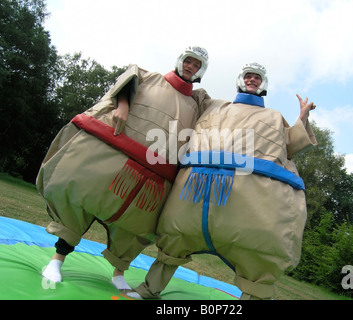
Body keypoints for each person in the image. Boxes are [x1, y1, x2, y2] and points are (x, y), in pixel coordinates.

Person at [130, 62, 317, 300]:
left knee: (255, 253)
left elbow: (290, 147)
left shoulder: (273, 117)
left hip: (243, 203)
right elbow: (183, 99)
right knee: (175, 237)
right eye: (249, 76)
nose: (252, 80)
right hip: (195, 194)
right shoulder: (214, 106)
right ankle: (149, 289)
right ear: (241, 79)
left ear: (263, 84)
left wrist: (302, 118)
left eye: (257, 78)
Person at [38, 46, 210, 292]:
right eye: (189, 61)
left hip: (154, 174)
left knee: (136, 226)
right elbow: (129, 80)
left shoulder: (197, 104)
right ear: (180, 60)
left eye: (197, 65)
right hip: (119, 156)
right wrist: (123, 105)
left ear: (200, 71)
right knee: (82, 198)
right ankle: (57, 260)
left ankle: (118, 274)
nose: (191, 66)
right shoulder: (149, 77)